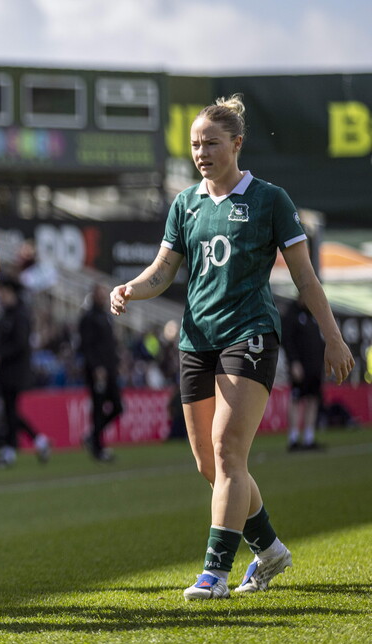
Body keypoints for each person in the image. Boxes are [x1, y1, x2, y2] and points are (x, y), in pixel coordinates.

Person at [110, 94, 354, 600]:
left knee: (227, 453)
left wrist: (333, 337)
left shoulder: (270, 199)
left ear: (237, 144)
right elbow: (163, 271)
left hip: (251, 335)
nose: (201, 151)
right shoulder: (186, 203)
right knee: (210, 465)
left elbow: (306, 280)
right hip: (196, 342)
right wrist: (131, 288)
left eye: (211, 143)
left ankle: (214, 573)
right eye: (195, 144)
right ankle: (269, 551)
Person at [0, 277, 49, 466]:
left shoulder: (19, 315)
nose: (1, 296)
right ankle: (36, 441)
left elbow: (20, 343)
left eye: (4, 292)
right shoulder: (8, 313)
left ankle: (14, 449)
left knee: (10, 410)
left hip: (15, 370)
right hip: (7, 370)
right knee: (10, 411)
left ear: (12, 293)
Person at [78, 282, 123, 461]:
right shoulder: (88, 317)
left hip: (110, 369)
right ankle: (98, 448)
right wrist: (96, 367)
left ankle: (92, 436)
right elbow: (87, 346)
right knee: (98, 407)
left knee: (117, 406)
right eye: (100, 293)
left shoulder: (105, 316)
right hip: (97, 371)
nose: (103, 296)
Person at [281, 294, 326, 451]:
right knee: (296, 399)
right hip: (300, 366)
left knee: (313, 399)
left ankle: (309, 437)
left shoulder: (314, 315)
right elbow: (287, 340)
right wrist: (293, 362)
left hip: (315, 367)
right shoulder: (292, 314)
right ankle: (293, 438)